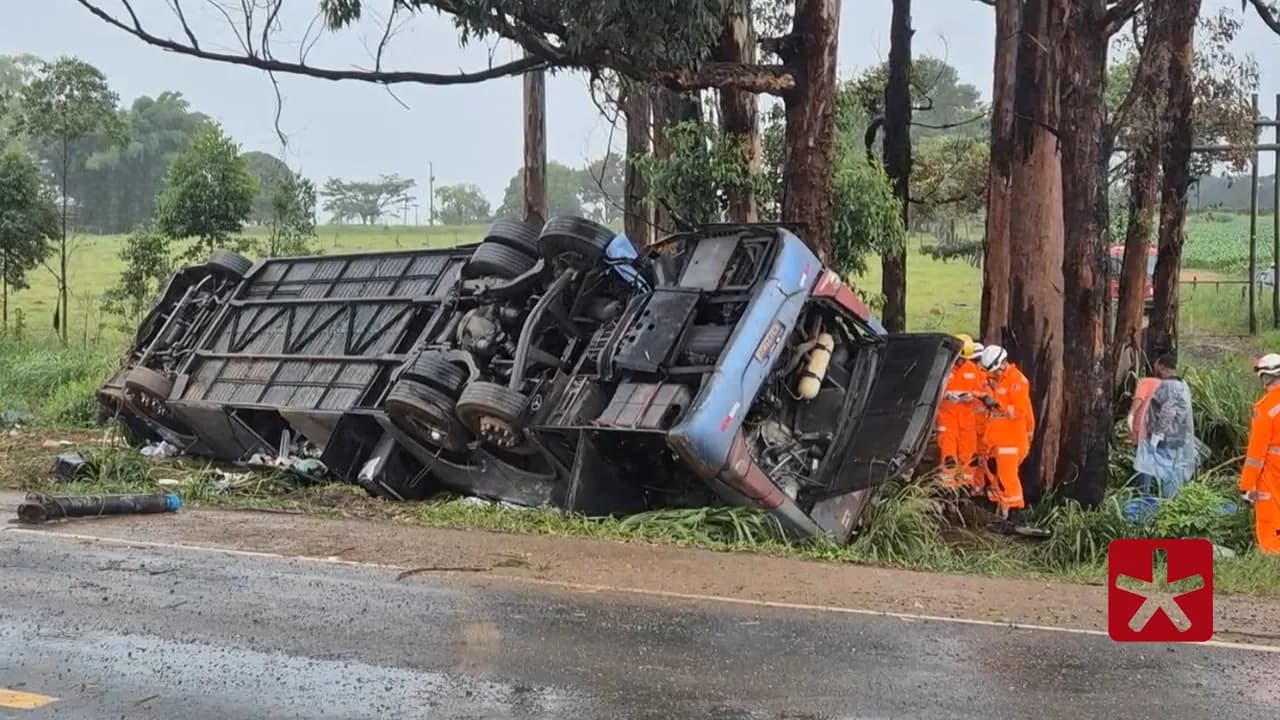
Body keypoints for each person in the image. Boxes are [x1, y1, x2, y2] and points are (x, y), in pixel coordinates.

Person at [976, 345, 1034, 520]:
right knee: (995, 475)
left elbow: (1020, 412)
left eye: (992, 371)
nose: (991, 375)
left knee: (1007, 478)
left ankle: (1016, 512)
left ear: (1001, 364)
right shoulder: (995, 380)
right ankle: (1000, 510)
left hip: (1011, 441)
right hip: (994, 439)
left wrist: (998, 405)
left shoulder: (1017, 381)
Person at [1131, 354, 1200, 498]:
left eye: (1156, 367)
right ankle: (1166, 501)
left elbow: (1168, 412)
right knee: (1169, 469)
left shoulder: (1169, 386)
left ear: (1162, 367)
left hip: (1167, 437)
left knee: (1162, 470)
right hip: (1177, 435)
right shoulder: (1182, 384)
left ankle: (1158, 501)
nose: (1155, 370)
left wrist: (1156, 435)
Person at [1240, 354, 1280, 554]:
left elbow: (1256, 453)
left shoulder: (1265, 409)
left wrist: (1246, 486)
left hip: (1273, 473)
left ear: (1266, 377)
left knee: (1269, 523)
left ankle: (1272, 564)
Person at [936, 335, 984, 488]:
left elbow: (980, 391)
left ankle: (966, 487)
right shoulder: (942, 368)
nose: (963, 362)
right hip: (947, 418)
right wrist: (947, 395)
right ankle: (948, 488)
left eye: (965, 359)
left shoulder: (971, 369)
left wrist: (972, 396)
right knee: (948, 456)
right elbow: (932, 392)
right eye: (961, 358)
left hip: (967, 418)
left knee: (969, 456)